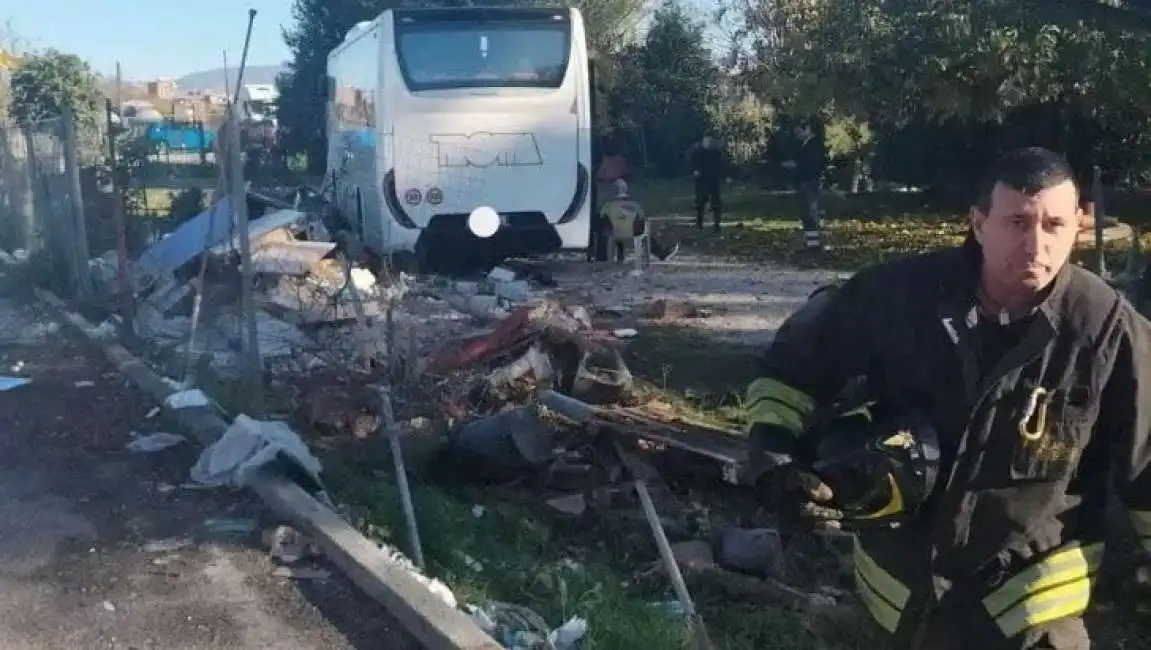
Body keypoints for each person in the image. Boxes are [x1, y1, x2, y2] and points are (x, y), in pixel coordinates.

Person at [744, 147, 1151, 650]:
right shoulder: (897, 296)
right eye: (1018, 222)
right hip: (902, 607)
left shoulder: (1106, 328)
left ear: (1079, 225)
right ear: (979, 223)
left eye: (1054, 224)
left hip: (1032, 617)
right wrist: (775, 455)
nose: (1036, 244)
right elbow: (789, 370)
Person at [598, 179, 679, 263]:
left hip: (614, 235)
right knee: (645, 229)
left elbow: (602, 219)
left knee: (614, 226)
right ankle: (661, 253)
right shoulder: (635, 206)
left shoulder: (606, 206)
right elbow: (642, 218)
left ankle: (618, 255)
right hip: (633, 235)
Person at [782, 118, 827, 250]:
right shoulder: (808, 144)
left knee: (810, 213)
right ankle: (811, 242)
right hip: (808, 182)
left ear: (808, 129)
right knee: (807, 213)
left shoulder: (813, 145)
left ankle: (814, 244)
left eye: (800, 128)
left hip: (810, 182)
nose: (797, 132)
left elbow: (812, 165)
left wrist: (796, 166)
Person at [690, 136, 730, 233]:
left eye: (709, 141)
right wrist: (695, 170)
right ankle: (699, 224)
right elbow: (692, 162)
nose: (708, 143)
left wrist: (725, 176)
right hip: (701, 181)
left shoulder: (715, 153)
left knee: (716, 203)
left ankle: (716, 225)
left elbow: (721, 165)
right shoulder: (698, 151)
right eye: (706, 141)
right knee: (700, 203)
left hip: (712, 181)